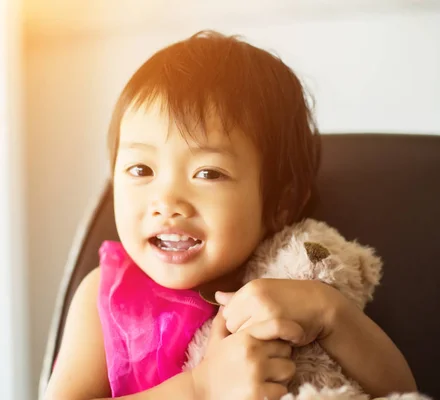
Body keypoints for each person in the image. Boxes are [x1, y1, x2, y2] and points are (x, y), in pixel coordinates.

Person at [44, 31, 416, 400]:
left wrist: (331, 315)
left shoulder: (294, 279)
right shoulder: (107, 295)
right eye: (141, 169)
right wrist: (199, 388)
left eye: (208, 173)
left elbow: (402, 392)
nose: (167, 201)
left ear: (280, 203)